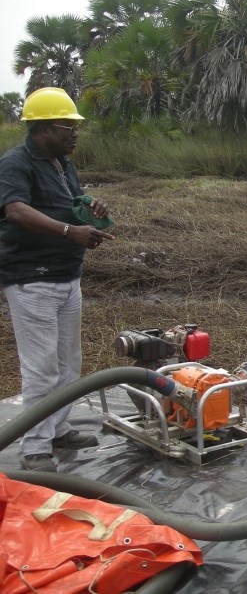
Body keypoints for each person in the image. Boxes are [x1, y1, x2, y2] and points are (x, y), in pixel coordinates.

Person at [0, 87, 115, 473]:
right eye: (68, 126)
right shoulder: (15, 164)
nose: (75, 133)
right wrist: (69, 231)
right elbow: (16, 211)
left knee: (69, 363)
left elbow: (71, 203)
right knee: (42, 368)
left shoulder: (62, 165)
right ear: (44, 129)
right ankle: (35, 447)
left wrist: (89, 209)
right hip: (32, 279)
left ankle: (59, 429)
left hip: (67, 276)